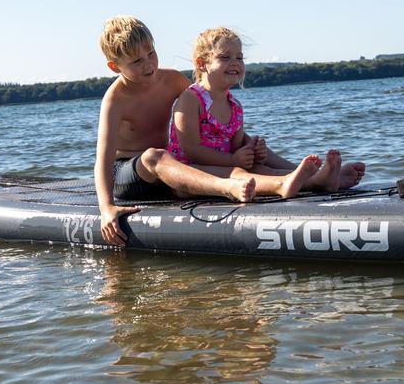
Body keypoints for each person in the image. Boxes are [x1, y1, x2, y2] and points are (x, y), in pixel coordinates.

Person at [94, 16, 325, 248]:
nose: (149, 64)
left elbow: (206, 111)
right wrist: (106, 208)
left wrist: (246, 147)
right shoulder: (115, 100)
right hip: (131, 174)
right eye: (136, 61)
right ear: (115, 66)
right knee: (155, 156)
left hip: (173, 167)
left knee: (237, 164)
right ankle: (226, 188)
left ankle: (305, 177)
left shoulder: (171, 79)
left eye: (151, 53)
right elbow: (103, 160)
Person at [169, 26, 366, 193]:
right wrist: (232, 159)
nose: (235, 63)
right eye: (225, 57)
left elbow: (236, 147)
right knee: (239, 173)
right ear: (202, 64)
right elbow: (191, 150)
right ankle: (310, 181)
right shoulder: (191, 99)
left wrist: (252, 151)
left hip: (225, 165)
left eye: (239, 57)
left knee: (258, 165)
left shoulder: (234, 106)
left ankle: (318, 176)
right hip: (193, 174)